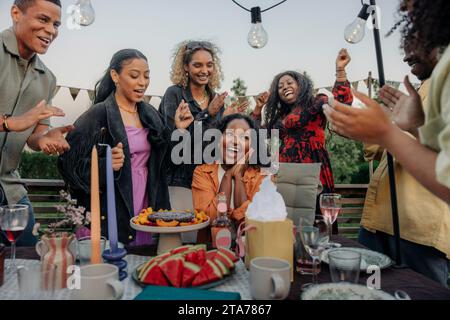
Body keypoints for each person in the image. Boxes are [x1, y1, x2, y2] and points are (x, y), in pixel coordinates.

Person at [58, 49, 194, 245]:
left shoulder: (150, 114)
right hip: (113, 205)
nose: (142, 82)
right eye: (134, 75)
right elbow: (67, 163)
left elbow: (164, 160)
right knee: (114, 263)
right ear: (115, 76)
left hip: (146, 201)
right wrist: (105, 164)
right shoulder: (98, 114)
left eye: (147, 76)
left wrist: (179, 130)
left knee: (140, 260)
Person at [323, 0, 450, 205]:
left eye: (418, 22)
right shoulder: (425, 89)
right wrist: (416, 127)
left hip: (420, 222)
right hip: (383, 212)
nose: (405, 57)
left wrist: (386, 132)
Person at [360, 43, 450, 286]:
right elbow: (379, 147)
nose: (406, 57)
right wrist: (364, 127)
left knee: (419, 292)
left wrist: (411, 127)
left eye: (417, 43)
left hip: (418, 229)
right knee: (370, 291)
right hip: (377, 224)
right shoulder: (417, 92)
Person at [251, 49, 354, 231]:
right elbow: (257, 135)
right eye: (280, 86)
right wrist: (258, 108)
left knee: (316, 222)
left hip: (313, 170)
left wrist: (340, 71)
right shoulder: (280, 118)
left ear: (301, 85)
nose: (284, 87)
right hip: (285, 173)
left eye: (289, 82)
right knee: (286, 222)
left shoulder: (317, 102)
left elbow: (342, 105)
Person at [0, 0, 73, 246]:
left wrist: (44, 139)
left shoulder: (48, 78)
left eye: (56, 24)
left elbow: (35, 135)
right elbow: (19, 124)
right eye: (43, 20)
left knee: (31, 261)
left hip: (11, 189)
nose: (51, 31)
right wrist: (11, 122)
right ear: (16, 13)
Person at [160, 40, 248, 190]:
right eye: (197, 65)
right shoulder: (174, 94)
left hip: (209, 180)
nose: (204, 70)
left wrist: (226, 121)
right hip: (179, 181)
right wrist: (208, 114)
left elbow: (213, 146)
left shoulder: (215, 98)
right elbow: (176, 145)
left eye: (209, 65)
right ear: (186, 67)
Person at [192, 114, 268, 243]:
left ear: (252, 147)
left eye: (245, 138)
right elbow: (210, 218)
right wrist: (227, 176)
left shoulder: (263, 177)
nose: (236, 141)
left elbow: (251, 224)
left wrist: (238, 177)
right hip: (211, 251)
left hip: (252, 251)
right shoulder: (202, 172)